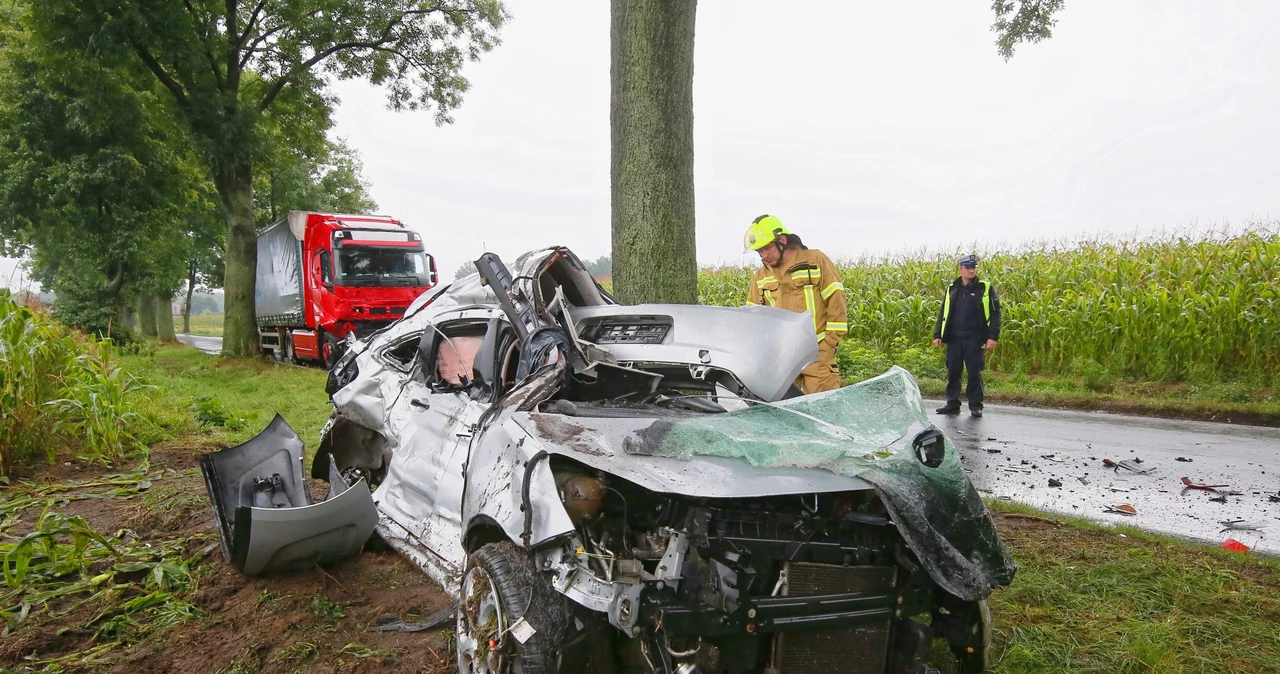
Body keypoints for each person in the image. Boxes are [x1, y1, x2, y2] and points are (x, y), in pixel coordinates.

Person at [744, 214, 847, 394]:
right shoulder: (761, 276)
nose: (764, 255)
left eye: (767, 248)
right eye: (759, 251)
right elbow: (752, 320)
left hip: (817, 355)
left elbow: (836, 303)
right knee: (785, 416)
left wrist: (828, 346)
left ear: (782, 240)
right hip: (781, 360)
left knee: (823, 413)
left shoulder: (815, 261)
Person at [932, 254, 1001, 417]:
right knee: (953, 372)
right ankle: (952, 404)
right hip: (954, 339)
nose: (971, 270)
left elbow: (996, 313)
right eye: (968, 268)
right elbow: (944, 313)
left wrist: (993, 336)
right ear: (960, 270)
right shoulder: (952, 288)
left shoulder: (985, 288)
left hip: (974, 338)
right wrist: (938, 335)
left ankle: (976, 405)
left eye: (974, 267)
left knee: (973, 373)